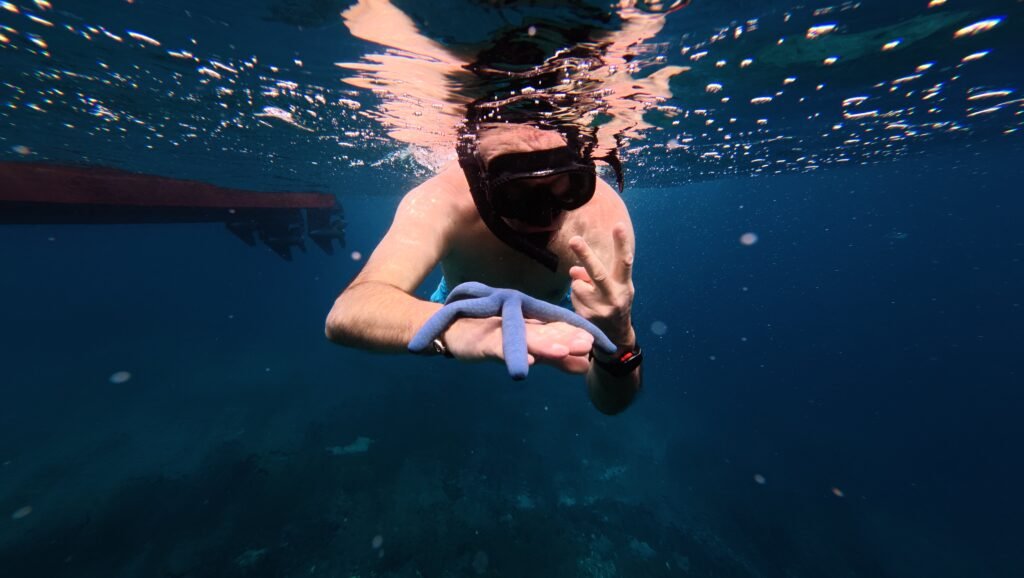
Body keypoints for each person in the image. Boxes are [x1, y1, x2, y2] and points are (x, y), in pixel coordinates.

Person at [325, 122, 642, 414]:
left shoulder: (601, 219)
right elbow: (348, 310)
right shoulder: (444, 200)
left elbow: (611, 404)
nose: (545, 217)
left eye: (565, 187)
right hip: (455, 302)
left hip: (559, 308)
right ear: (479, 181)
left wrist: (619, 335)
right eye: (515, 194)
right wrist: (455, 328)